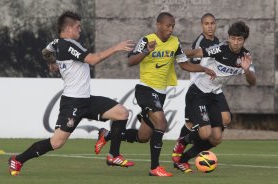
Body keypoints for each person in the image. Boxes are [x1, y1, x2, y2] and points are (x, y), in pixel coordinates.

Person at [8, 10, 136, 176]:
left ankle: (114, 155)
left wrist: (52, 64)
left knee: (121, 113)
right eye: (77, 27)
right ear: (68, 28)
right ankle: (18, 159)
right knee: (56, 143)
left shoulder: (56, 43)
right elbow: (93, 59)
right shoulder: (69, 45)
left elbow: (45, 52)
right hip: (73, 103)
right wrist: (116, 48)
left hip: (86, 100)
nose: (80, 30)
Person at [94, 12, 216, 177]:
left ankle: (108, 134)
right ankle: (154, 168)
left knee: (143, 136)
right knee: (161, 123)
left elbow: (184, 65)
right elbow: (130, 61)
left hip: (161, 93)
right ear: (158, 25)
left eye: (172, 26)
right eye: (168, 26)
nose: (170, 29)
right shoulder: (146, 40)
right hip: (145, 89)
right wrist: (146, 51)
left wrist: (203, 69)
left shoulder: (175, 43)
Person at [172, 20, 256, 173]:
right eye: (233, 38)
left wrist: (247, 70)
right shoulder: (220, 49)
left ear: (244, 40)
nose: (235, 43)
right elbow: (198, 52)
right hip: (198, 92)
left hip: (214, 94)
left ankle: (183, 159)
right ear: (229, 37)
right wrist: (178, 53)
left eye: (239, 40)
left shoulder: (245, 57)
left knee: (216, 138)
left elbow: (252, 82)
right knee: (205, 133)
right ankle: (182, 141)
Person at [172, 13, 220, 172]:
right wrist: (204, 70)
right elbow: (190, 63)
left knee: (194, 127)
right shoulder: (200, 42)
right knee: (199, 129)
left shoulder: (217, 42)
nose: (210, 26)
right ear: (202, 25)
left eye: (212, 23)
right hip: (197, 92)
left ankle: (180, 154)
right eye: (206, 23)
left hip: (210, 91)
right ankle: (180, 152)